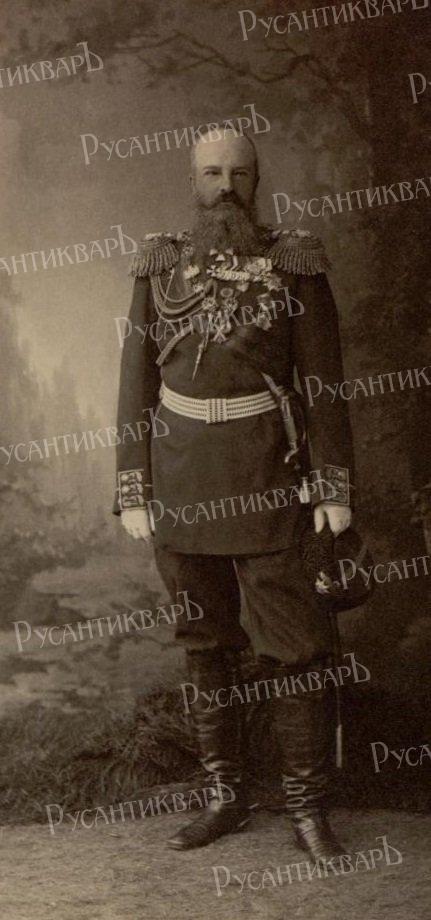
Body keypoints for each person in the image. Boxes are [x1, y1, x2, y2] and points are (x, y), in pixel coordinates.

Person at [114, 128, 354, 860]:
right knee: (205, 643)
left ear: (256, 182)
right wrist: (133, 488)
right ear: (193, 181)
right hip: (181, 478)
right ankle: (224, 798)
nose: (225, 187)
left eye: (239, 174)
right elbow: (134, 383)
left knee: (296, 649)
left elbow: (323, 384)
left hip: (269, 477)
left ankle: (306, 810)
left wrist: (333, 487)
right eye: (212, 173)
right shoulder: (159, 265)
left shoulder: (293, 261)